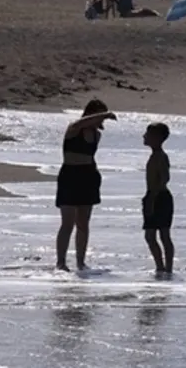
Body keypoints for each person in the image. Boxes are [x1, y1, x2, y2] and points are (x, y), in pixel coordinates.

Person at [55, 99, 116, 272]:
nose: (101, 121)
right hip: (69, 176)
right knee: (67, 222)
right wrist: (104, 114)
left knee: (83, 223)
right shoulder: (74, 129)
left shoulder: (97, 135)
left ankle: (80, 262)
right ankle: (61, 262)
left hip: (88, 177)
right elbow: (81, 122)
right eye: (99, 116)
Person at [141, 123, 174, 278]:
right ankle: (160, 267)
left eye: (148, 134)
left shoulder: (160, 156)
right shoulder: (155, 155)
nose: (144, 136)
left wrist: (152, 198)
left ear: (157, 138)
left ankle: (167, 268)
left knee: (163, 235)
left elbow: (164, 178)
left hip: (159, 197)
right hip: (153, 196)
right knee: (151, 236)